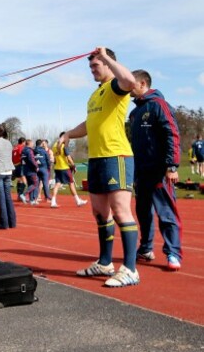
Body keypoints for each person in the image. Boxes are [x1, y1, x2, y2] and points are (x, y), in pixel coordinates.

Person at [60, 47, 140, 287]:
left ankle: (131, 269)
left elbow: (130, 81)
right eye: (91, 67)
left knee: (120, 211)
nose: (92, 70)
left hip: (116, 156)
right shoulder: (95, 95)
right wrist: (68, 135)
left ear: (107, 63)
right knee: (99, 212)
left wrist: (105, 56)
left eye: (96, 65)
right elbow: (89, 123)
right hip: (96, 159)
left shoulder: (116, 86)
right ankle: (105, 262)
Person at [129, 69, 183, 271]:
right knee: (143, 212)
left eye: (131, 83)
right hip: (141, 172)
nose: (127, 86)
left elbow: (172, 134)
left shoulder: (159, 105)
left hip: (160, 170)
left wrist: (172, 166)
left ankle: (173, 252)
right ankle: (145, 248)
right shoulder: (134, 114)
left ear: (143, 83)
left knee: (166, 213)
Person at [50, 132, 88, 208]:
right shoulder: (63, 146)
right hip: (64, 168)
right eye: (68, 138)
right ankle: (78, 201)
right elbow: (69, 158)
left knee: (57, 184)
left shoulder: (54, 146)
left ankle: (53, 201)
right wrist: (74, 165)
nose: (69, 139)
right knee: (71, 184)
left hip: (57, 168)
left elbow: (53, 158)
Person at [20, 139, 39, 205]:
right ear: (29, 144)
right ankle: (24, 194)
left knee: (30, 185)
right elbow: (32, 160)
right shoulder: (29, 151)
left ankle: (31, 200)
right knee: (35, 183)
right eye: (32, 143)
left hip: (25, 170)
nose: (33, 145)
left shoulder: (23, 151)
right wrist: (36, 166)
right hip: (31, 170)